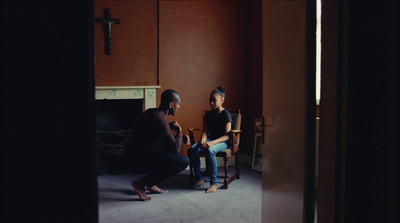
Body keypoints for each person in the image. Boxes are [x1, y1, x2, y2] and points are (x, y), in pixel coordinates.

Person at [127, 89, 190, 201]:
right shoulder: (160, 119)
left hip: (134, 154)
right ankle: (141, 184)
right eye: (178, 103)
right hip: (138, 161)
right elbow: (176, 149)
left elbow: (160, 135)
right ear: (171, 105)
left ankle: (150, 184)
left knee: (168, 148)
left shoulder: (152, 112)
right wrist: (179, 131)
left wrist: (179, 137)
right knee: (183, 161)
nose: (179, 107)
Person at [187, 86, 233, 193]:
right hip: (211, 139)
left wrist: (212, 143)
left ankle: (214, 183)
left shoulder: (226, 114)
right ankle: (199, 179)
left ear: (222, 100)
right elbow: (205, 131)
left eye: (214, 100)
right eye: (210, 101)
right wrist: (203, 140)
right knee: (192, 149)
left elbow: (227, 136)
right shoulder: (208, 114)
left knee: (210, 150)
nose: (211, 103)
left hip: (223, 142)